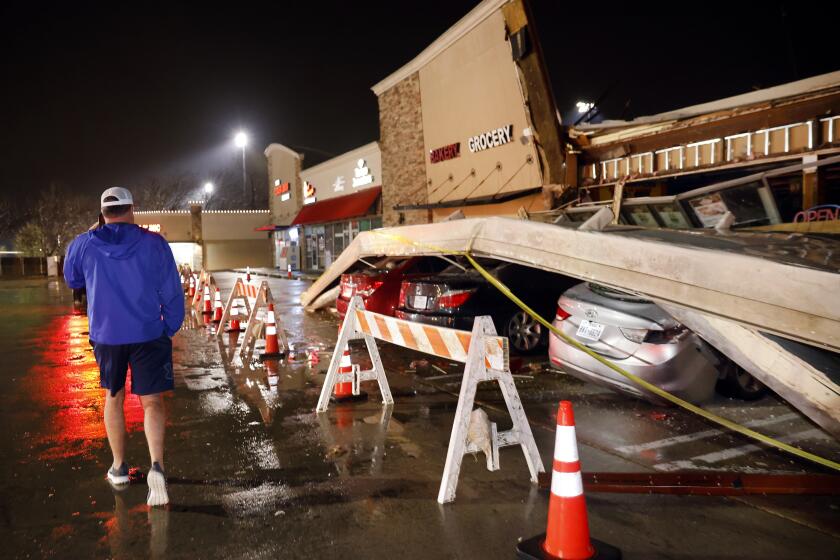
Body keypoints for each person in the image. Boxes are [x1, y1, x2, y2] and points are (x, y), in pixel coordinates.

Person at [64, 187, 184, 506]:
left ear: (102, 213)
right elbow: (172, 289)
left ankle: (119, 467)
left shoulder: (85, 244)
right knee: (152, 401)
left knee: (113, 398)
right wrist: (170, 326)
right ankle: (156, 466)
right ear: (132, 209)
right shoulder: (154, 243)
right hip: (148, 331)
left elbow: (72, 279)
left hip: (107, 335)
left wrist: (89, 235)